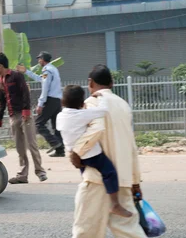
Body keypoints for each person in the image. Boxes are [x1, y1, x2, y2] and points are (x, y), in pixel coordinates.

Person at [69, 65, 180, 238]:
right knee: (132, 233)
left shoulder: (91, 104)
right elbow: (130, 145)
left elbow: (93, 132)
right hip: (122, 182)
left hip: (97, 182)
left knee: (85, 237)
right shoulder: (123, 105)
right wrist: (135, 181)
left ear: (90, 83)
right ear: (111, 84)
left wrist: (76, 152)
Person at [56, 85, 132, 218]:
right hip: (91, 153)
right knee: (109, 173)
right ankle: (114, 204)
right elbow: (103, 111)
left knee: (87, 179)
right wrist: (100, 98)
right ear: (81, 103)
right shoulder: (83, 114)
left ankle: (90, 207)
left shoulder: (60, 116)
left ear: (62, 102)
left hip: (73, 153)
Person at [0, 53, 47, 184]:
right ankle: (22, 175)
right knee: (19, 147)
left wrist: (26, 111)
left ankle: (40, 171)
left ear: (0, 65)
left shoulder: (17, 76)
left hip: (24, 115)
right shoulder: (0, 81)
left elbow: (25, 93)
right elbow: (2, 101)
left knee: (32, 144)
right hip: (13, 116)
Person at [18, 51, 64, 157]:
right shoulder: (53, 69)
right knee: (56, 125)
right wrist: (26, 71)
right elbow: (40, 79)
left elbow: (45, 87)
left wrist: (40, 104)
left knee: (39, 124)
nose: (38, 61)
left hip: (50, 99)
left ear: (43, 59)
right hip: (57, 100)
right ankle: (60, 150)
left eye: (39, 59)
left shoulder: (47, 70)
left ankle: (54, 143)